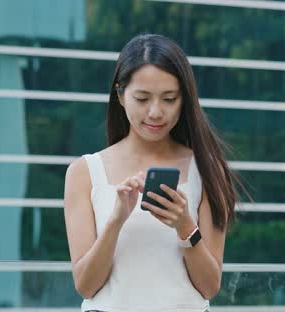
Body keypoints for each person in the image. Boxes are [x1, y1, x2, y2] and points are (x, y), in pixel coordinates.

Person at [63, 34, 248, 312]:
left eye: (169, 99)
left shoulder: (207, 170)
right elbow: (86, 285)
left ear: (184, 100)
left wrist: (185, 226)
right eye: (142, 98)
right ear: (120, 95)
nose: (155, 112)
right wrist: (116, 220)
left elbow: (209, 287)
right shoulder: (85, 172)